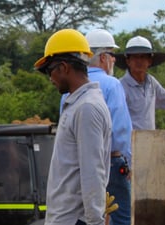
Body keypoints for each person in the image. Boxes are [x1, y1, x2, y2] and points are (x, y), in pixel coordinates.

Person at [35, 29, 112, 225]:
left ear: (63, 67)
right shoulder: (78, 104)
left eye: (49, 70)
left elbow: (92, 170)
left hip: (73, 220)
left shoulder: (86, 108)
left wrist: (95, 220)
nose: (50, 78)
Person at [58, 29, 133, 225]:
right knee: (120, 218)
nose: (114, 61)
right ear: (102, 57)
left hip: (77, 168)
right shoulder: (112, 84)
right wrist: (129, 163)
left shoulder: (68, 89)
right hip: (112, 163)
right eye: (112, 55)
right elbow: (120, 133)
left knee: (83, 215)